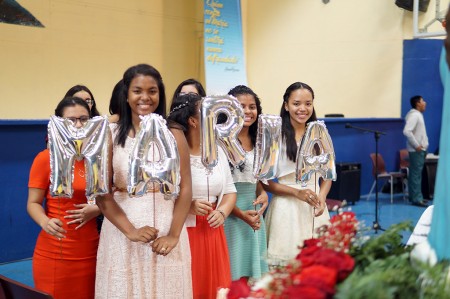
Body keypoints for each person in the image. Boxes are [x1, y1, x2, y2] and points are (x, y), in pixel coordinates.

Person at [95, 64, 193, 298]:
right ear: (126, 94)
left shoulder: (174, 133)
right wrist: (130, 231)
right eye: (138, 91)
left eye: (152, 91)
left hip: (167, 229)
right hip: (123, 232)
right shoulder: (110, 133)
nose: (145, 97)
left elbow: (186, 187)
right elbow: (102, 193)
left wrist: (173, 234)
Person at [27, 97, 100, 299]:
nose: (77, 125)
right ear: (59, 123)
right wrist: (45, 221)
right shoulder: (46, 158)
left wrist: (99, 208)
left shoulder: (98, 157)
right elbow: (32, 203)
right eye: (71, 120)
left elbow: (112, 196)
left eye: (84, 119)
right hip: (55, 252)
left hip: (91, 251)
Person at [167, 93, 237, 299]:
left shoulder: (218, 151)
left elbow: (230, 190)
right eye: (208, 112)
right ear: (193, 121)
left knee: (215, 289)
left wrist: (223, 212)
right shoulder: (174, 153)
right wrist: (188, 206)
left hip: (213, 230)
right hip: (184, 231)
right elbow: (163, 194)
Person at [263, 82, 332, 266]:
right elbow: (265, 182)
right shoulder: (274, 136)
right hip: (286, 209)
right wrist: (297, 193)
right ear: (286, 105)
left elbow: (328, 174)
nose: (303, 108)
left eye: (308, 104)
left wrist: (322, 197)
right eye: (296, 103)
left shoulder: (320, 133)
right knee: (287, 271)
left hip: (315, 207)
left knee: (319, 268)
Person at [223, 85, 269, 281]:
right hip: (229, 215)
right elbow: (219, 187)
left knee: (252, 279)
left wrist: (263, 193)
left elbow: (257, 180)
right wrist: (241, 214)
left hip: (253, 215)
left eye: (252, 106)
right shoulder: (220, 141)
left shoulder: (261, 141)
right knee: (230, 275)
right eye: (241, 106)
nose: (248, 111)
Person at [403, 95, 429, 207]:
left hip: (419, 150)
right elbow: (407, 131)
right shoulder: (414, 115)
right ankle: (417, 199)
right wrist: (417, 145)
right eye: (423, 101)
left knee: (416, 174)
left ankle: (415, 197)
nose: (425, 103)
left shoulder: (417, 115)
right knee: (415, 174)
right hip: (416, 150)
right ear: (418, 103)